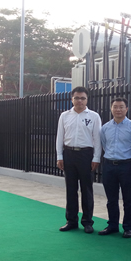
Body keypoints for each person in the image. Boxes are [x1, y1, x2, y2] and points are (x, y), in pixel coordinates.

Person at [56, 86, 102, 234]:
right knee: (71, 189)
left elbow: (97, 139)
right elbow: (59, 137)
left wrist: (96, 157)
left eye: (83, 98)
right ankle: (71, 221)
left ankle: (87, 222)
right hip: (69, 154)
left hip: (86, 155)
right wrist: (59, 156)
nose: (79, 101)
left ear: (87, 100)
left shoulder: (94, 116)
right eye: (77, 98)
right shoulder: (64, 116)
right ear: (72, 99)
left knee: (86, 189)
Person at [98, 97, 131, 238]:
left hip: (126, 166)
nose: (118, 109)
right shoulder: (105, 128)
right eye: (115, 107)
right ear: (111, 109)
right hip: (109, 165)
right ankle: (112, 225)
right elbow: (104, 145)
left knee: (128, 198)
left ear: (126, 109)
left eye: (121, 107)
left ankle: (128, 227)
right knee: (111, 199)